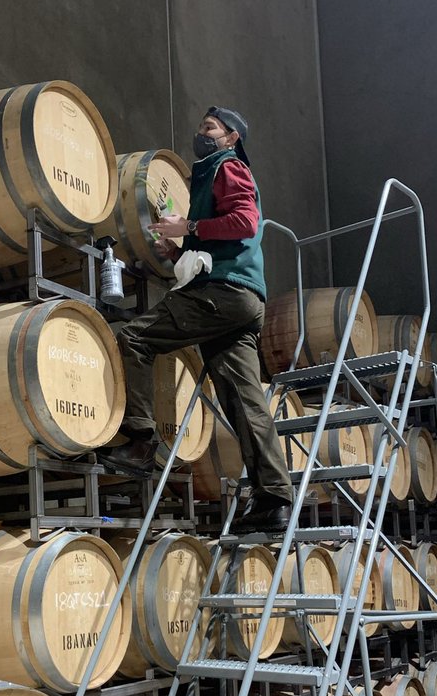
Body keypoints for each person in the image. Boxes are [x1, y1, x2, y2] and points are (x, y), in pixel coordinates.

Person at [102, 106, 293, 534]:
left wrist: (187, 226)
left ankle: (140, 441)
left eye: (209, 128)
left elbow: (244, 222)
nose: (200, 133)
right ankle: (274, 499)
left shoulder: (229, 166)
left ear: (231, 137)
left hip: (222, 293)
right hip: (243, 300)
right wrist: (179, 243)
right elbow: (218, 232)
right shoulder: (210, 175)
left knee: (134, 338)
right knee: (245, 405)